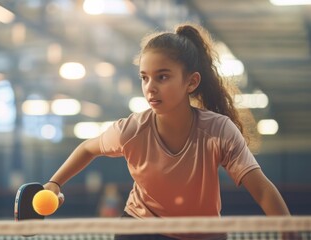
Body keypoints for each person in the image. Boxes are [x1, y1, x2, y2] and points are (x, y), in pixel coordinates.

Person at [43, 23, 291, 239]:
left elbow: (261, 189)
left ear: (191, 82)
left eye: (162, 77)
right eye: (144, 78)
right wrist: (54, 183)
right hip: (141, 230)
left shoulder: (218, 131)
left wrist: (288, 231)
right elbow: (88, 148)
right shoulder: (131, 130)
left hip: (204, 235)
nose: (150, 88)